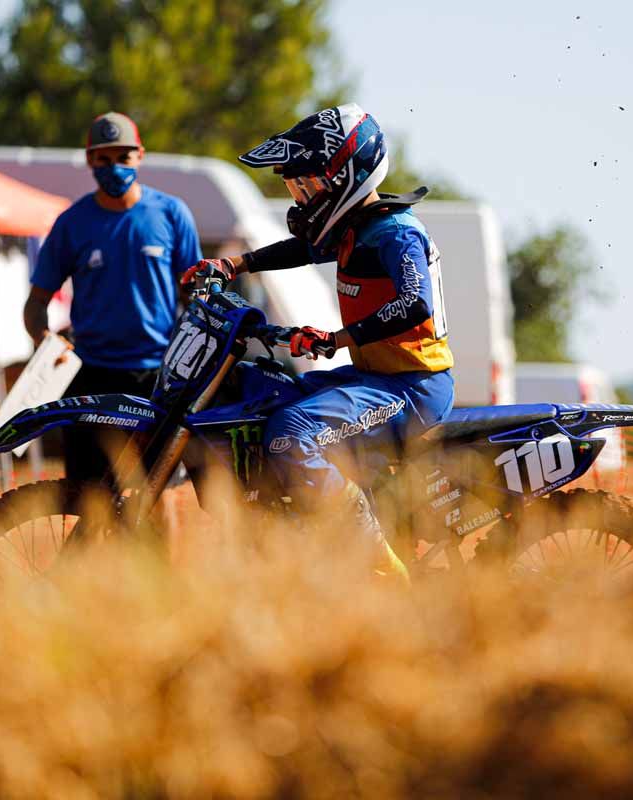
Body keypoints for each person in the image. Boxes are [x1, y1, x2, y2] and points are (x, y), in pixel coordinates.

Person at [181, 103, 454, 580]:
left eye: (307, 184)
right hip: (376, 378)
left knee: (291, 433)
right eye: (295, 186)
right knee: (256, 390)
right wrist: (233, 266)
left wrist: (337, 337)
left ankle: (381, 569)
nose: (301, 196)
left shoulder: (396, 232)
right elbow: (304, 249)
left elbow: (416, 305)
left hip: (414, 386)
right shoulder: (356, 228)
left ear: (347, 175)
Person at [25, 112, 202, 485]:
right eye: (103, 158)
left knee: (154, 493)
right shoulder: (72, 223)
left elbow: (198, 296)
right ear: (89, 159)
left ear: (140, 155)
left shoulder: (171, 215)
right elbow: (36, 302)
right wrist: (45, 341)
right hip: (90, 377)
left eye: (123, 157)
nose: (114, 167)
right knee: (89, 496)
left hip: (158, 378)